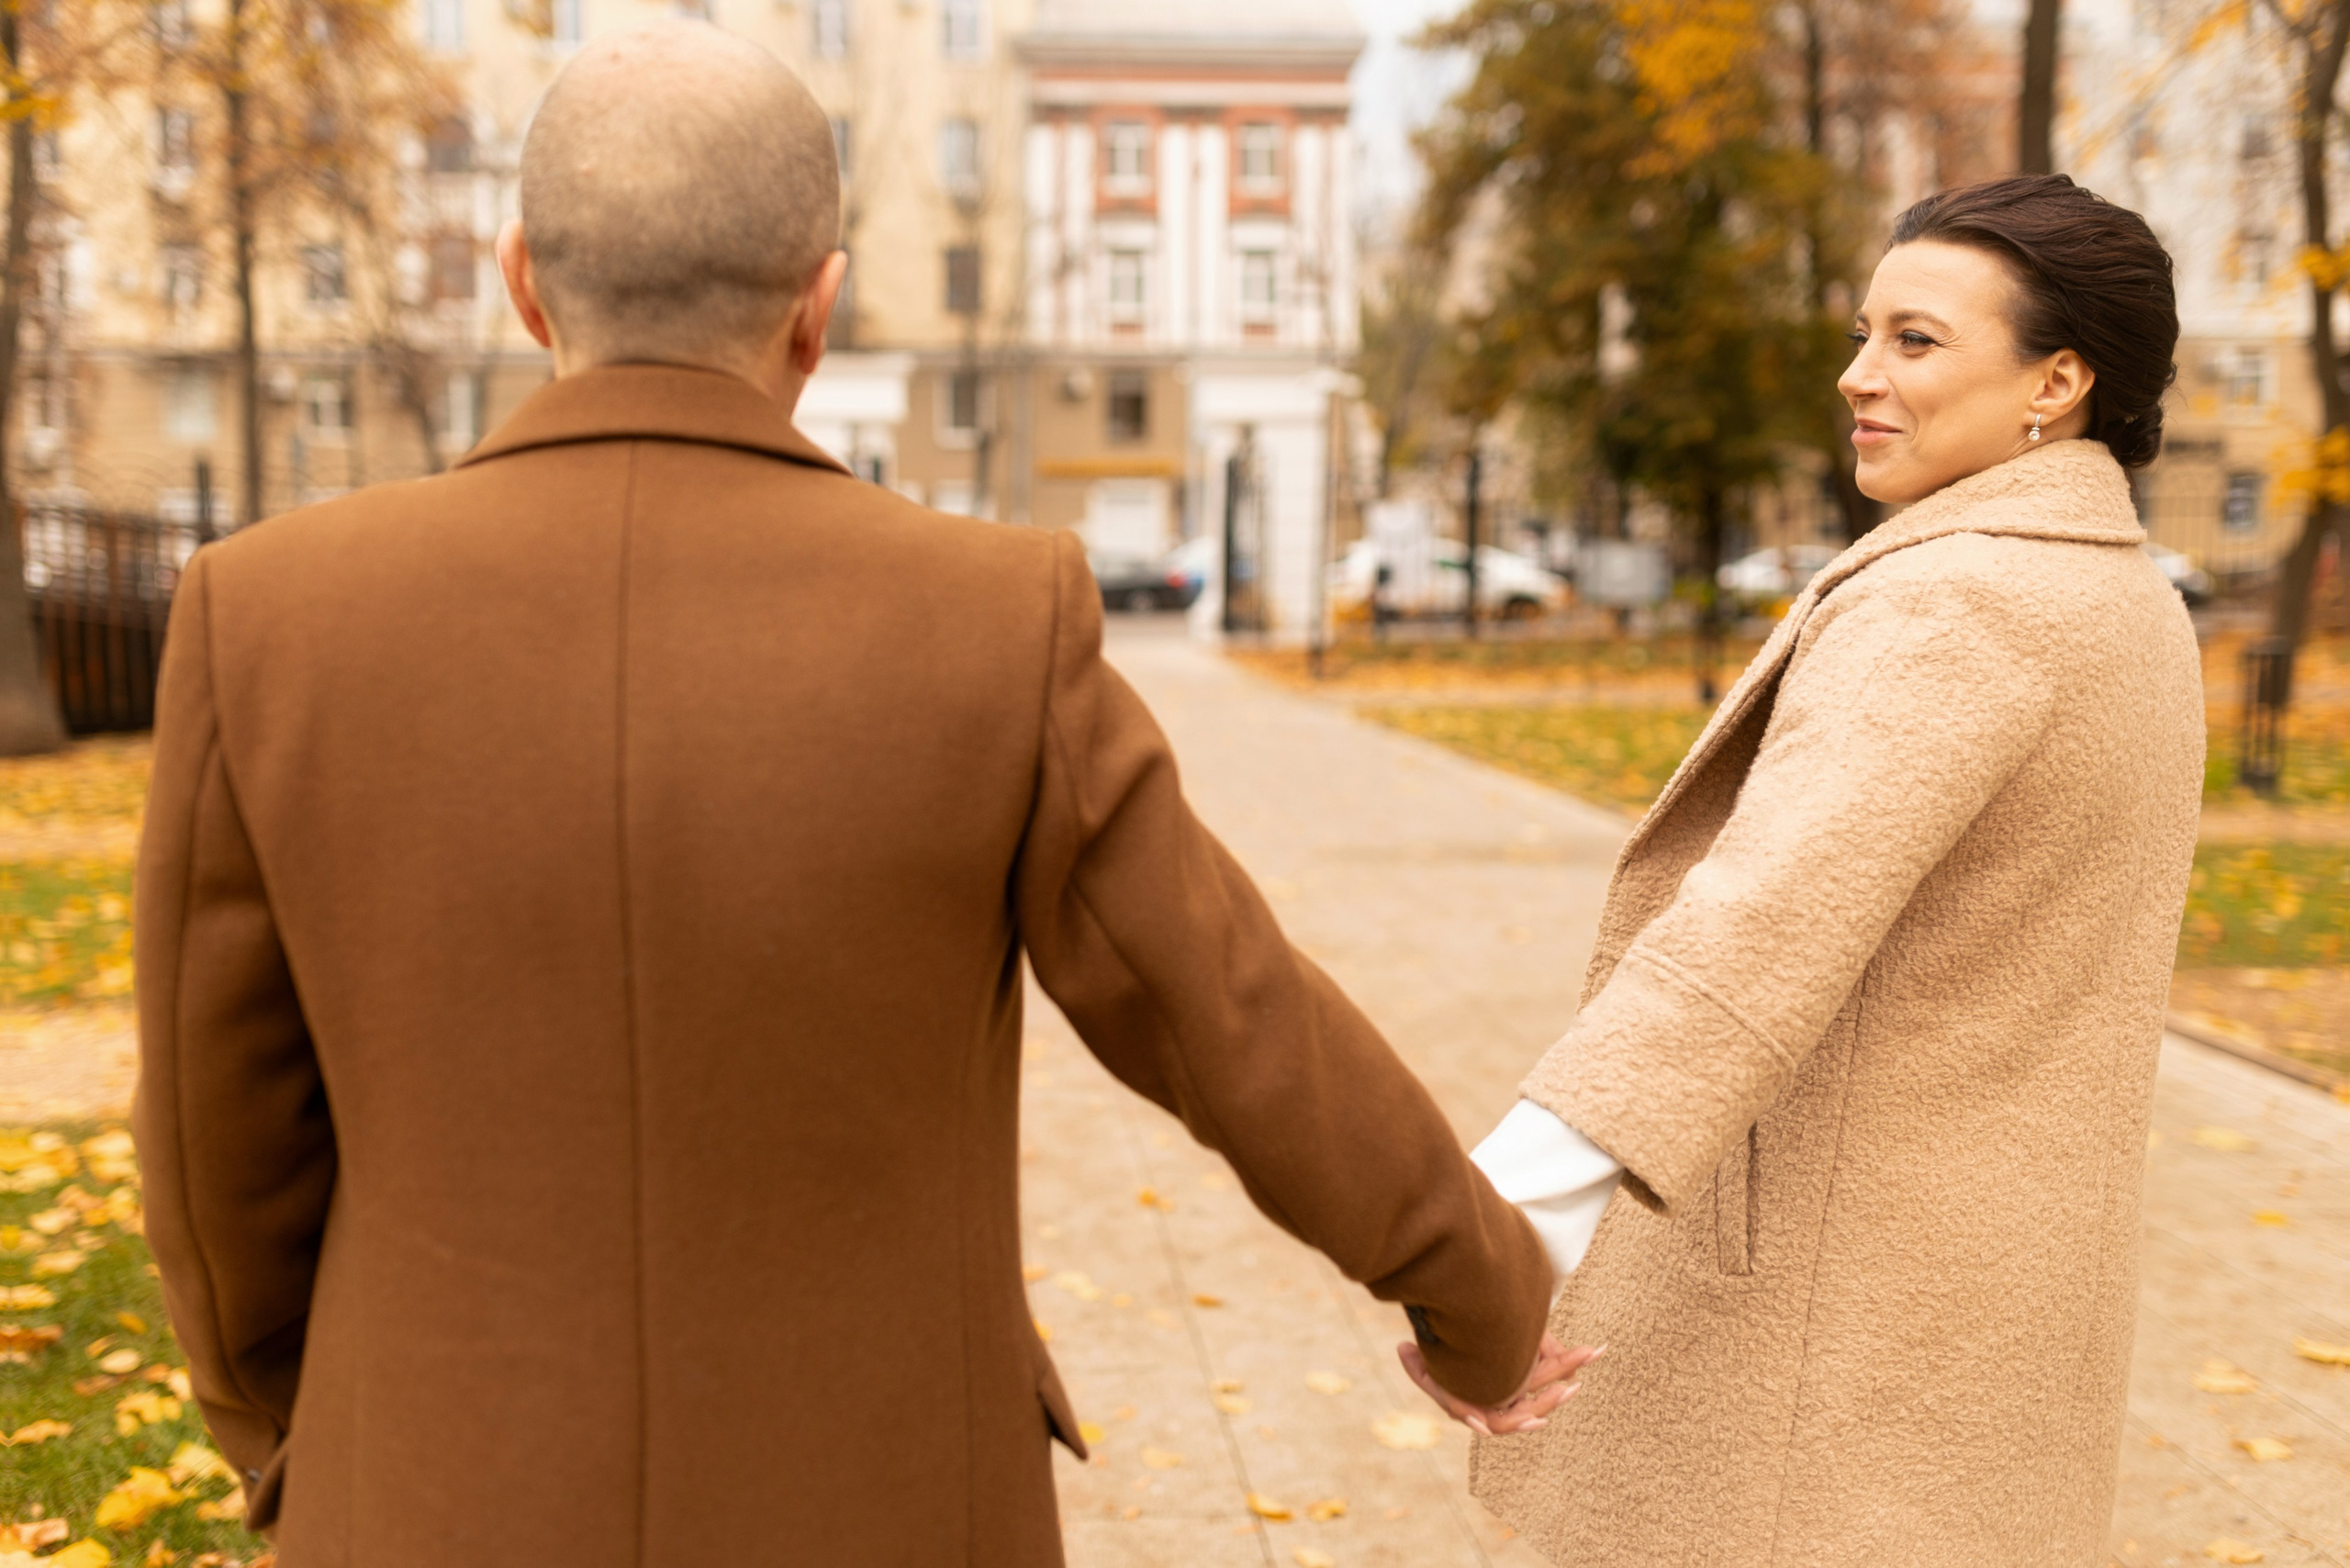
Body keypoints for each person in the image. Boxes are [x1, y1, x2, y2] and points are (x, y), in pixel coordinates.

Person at [130, 23, 1583, 1565]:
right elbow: (1226, 1014)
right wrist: (1476, 1292)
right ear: (818, 307)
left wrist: (306, 1433)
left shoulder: (267, 616)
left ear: (520, 278)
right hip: (890, 1496)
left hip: (423, 1491)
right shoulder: (987, 616)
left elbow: (220, 1150)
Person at [1461, 174, 2203, 1565]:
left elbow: (1742, 944)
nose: (1859, 375)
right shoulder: (2123, 599)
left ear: (2060, 378)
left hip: (1834, 1333)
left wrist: (1485, 1241)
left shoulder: (1956, 600)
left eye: (1916, 342)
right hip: (1996, 1314)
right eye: (1867, 333)